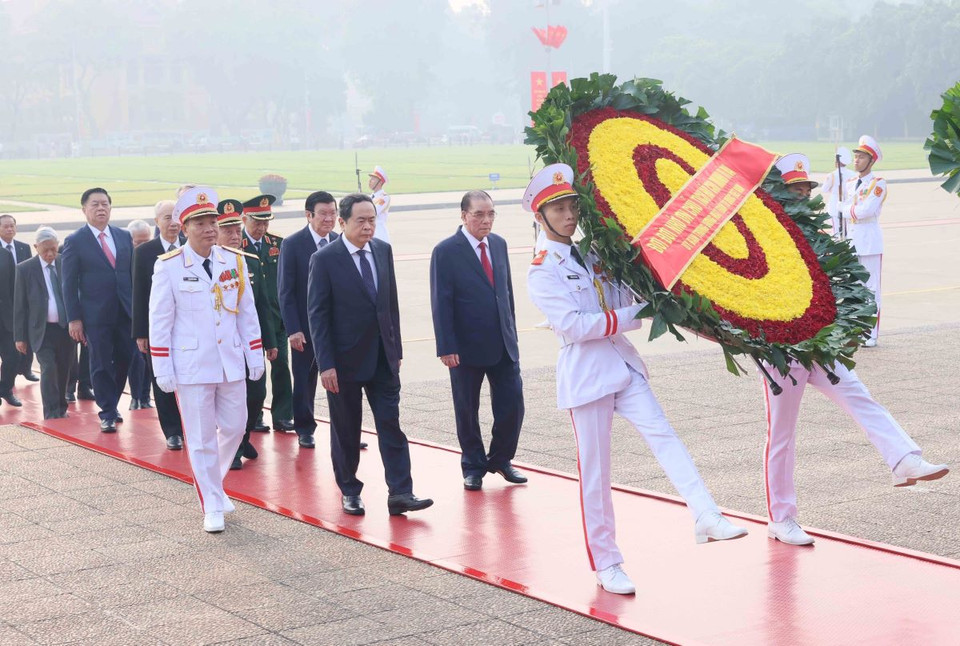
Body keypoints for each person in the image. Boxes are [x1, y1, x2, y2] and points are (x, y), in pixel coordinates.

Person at [524, 164, 747, 596]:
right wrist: (634, 314)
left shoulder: (593, 252)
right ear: (541, 216)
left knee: (665, 435)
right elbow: (574, 326)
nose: (569, 215)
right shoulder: (542, 269)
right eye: (558, 208)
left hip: (623, 365)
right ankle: (607, 564)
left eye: (572, 206)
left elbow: (625, 293)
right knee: (595, 475)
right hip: (586, 375)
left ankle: (705, 513)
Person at [760, 153, 949, 547]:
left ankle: (903, 459)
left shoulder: (816, 234)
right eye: (794, 189)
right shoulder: (763, 237)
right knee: (782, 436)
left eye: (805, 188)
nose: (802, 195)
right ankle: (781, 518)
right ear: (777, 194)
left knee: (860, 396)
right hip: (783, 350)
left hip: (819, 344)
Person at [308, 193, 433, 517]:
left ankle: (400, 492)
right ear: (343, 222)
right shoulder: (325, 259)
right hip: (344, 362)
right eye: (361, 220)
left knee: (391, 424)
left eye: (372, 220)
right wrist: (326, 364)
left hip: (382, 359)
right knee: (347, 430)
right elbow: (318, 315)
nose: (368, 226)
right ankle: (350, 490)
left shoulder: (382, 250)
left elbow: (390, 304)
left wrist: (396, 349)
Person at [149, 187, 264, 533]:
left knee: (235, 427)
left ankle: (213, 484)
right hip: (193, 366)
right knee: (200, 439)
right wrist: (162, 367)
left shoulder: (234, 261)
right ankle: (211, 503)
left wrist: (253, 353)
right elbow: (160, 321)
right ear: (184, 228)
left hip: (230, 361)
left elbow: (247, 313)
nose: (210, 229)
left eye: (212, 221)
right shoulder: (169, 267)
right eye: (200, 223)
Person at [430, 190, 526, 490]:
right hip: (465, 347)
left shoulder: (498, 244)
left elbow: (506, 293)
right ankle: (473, 466)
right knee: (467, 409)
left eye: (491, 214)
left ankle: (500, 459)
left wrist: (511, 332)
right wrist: (446, 346)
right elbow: (441, 301)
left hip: (503, 343)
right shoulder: (446, 251)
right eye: (479, 215)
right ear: (464, 215)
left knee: (513, 404)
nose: (486, 220)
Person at [61, 187, 136, 432]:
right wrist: (74, 318)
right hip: (95, 315)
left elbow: (131, 274)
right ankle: (107, 412)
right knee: (101, 363)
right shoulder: (75, 241)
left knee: (126, 358)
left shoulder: (123, 236)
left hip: (125, 311)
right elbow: (68, 284)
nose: (101, 208)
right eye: (95, 204)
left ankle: (112, 403)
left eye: (105, 204)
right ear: (84, 209)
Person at [217, 198, 277, 469]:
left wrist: (270, 341)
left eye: (236, 230)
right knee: (230, 400)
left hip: (248, 344)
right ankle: (233, 447)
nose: (234, 236)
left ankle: (244, 436)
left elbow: (262, 306)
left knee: (256, 395)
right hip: (223, 346)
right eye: (227, 231)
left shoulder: (249, 262)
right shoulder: (210, 264)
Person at [278, 191, 340, 449]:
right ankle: (304, 428)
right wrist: (293, 329)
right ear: (308, 215)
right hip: (305, 327)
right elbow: (286, 291)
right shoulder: (292, 244)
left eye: (333, 213)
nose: (329, 219)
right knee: (304, 380)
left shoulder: (340, 241)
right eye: (323, 214)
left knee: (342, 380)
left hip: (336, 328)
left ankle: (344, 429)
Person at [132, 201, 185, 450]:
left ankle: (194, 426)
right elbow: (139, 293)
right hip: (158, 329)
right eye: (167, 218)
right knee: (162, 379)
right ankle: (173, 431)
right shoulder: (144, 252)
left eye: (176, 217)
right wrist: (141, 333)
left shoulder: (191, 246)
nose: (173, 223)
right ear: (157, 222)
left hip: (187, 327)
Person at [241, 195, 294, 432]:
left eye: (266, 222)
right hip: (250, 322)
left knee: (281, 366)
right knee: (254, 371)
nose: (262, 228)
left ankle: (282, 416)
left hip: (276, 319)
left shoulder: (278, 245)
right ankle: (255, 415)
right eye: (257, 222)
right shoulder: (236, 245)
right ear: (245, 219)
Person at [12, 227, 75, 419]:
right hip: (41, 330)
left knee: (64, 368)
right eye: (45, 250)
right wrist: (20, 337)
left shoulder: (65, 262)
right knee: (48, 368)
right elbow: (20, 305)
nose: (49, 254)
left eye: (53, 249)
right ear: (36, 247)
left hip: (65, 328)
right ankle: (51, 410)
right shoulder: (25, 269)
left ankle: (61, 407)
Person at [841, 135, 885, 347]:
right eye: (856, 156)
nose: (856, 160)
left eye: (861, 157)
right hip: (852, 240)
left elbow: (866, 210)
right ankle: (855, 330)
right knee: (854, 287)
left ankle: (871, 334)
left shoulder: (878, 184)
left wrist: (845, 209)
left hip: (869, 241)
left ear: (871, 161)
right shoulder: (850, 183)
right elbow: (844, 210)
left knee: (871, 288)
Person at [1, 214, 38, 383]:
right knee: (9, 345)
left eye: (12, 226)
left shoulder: (23, 247)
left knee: (26, 336)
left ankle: (26, 368)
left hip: (23, 299)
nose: (9, 229)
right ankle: (8, 380)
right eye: (5, 226)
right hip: (5, 301)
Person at [125, 220, 153, 410]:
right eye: (138, 242)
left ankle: (145, 396)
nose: (142, 246)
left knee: (149, 358)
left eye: (146, 241)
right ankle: (135, 396)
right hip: (129, 316)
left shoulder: (153, 258)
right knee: (135, 360)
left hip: (150, 315)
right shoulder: (124, 259)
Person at [0, 230, 22, 407]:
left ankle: (5, 389)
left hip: (6, 317)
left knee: (13, 356)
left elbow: (14, 286)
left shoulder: (5, 254)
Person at [820, 147, 854, 238]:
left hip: (835, 205)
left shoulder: (832, 175)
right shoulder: (853, 174)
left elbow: (824, 189)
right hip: (848, 205)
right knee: (847, 232)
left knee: (836, 232)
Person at [368, 166, 392, 244]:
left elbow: (373, 212)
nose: (370, 181)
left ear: (380, 182)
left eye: (373, 179)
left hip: (379, 232)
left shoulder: (384, 197)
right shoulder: (370, 197)